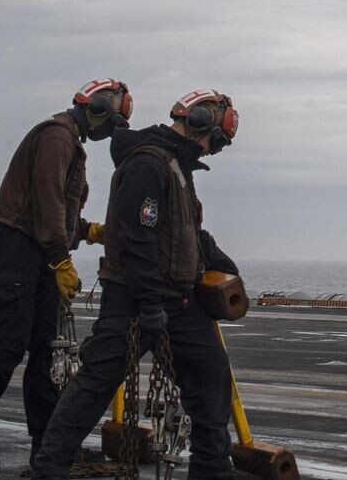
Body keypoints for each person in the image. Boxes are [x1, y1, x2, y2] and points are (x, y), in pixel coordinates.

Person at [31, 90, 242, 480]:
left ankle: (212, 466)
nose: (213, 151)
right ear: (200, 123)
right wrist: (148, 305)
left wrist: (214, 259)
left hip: (178, 297)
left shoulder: (177, 165)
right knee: (96, 383)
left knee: (211, 371)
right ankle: (49, 468)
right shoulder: (149, 164)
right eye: (216, 141)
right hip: (134, 297)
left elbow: (184, 230)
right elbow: (136, 239)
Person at [0, 79, 133, 474]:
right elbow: (47, 204)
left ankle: (46, 447)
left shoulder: (68, 141)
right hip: (17, 247)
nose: (107, 134)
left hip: (36, 248)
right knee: (8, 344)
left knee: (46, 349)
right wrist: (60, 259)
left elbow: (56, 212)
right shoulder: (57, 137)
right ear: (98, 111)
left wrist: (87, 231)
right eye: (111, 123)